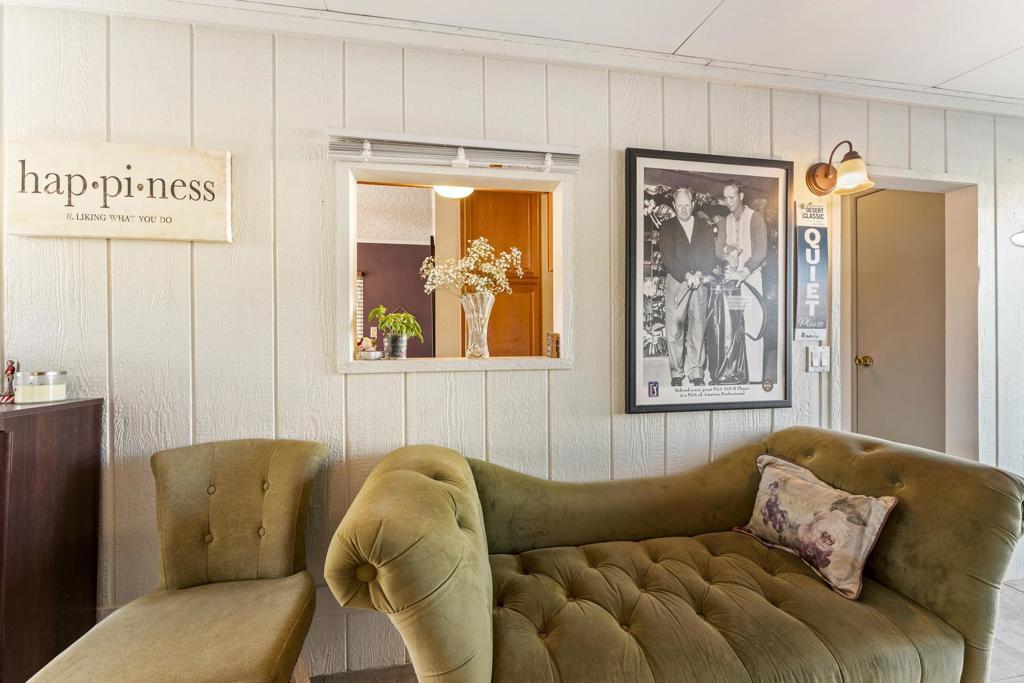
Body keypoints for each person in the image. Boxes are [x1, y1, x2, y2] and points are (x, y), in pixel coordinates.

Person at [657, 187, 717, 387]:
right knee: (674, 329)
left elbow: (710, 254)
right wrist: (686, 275)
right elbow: (667, 257)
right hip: (677, 281)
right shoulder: (667, 227)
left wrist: (699, 273)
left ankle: (696, 372)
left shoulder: (704, 226)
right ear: (674, 206)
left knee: (698, 327)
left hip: (699, 281)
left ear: (693, 204)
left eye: (686, 205)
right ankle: (677, 373)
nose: (683, 209)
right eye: (679, 205)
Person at [716, 180, 768, 384]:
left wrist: (745, 271)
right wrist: (727, 253)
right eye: (725, 198)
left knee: (753, 328)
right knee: (733, 328)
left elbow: (761, 250)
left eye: (732, 197)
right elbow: (718, 250)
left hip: (751, 280)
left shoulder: (756, 217)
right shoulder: (723, 222)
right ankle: (735, 374)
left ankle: (754, 379)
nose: (728, 202)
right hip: (732, 284)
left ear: (741, 196)